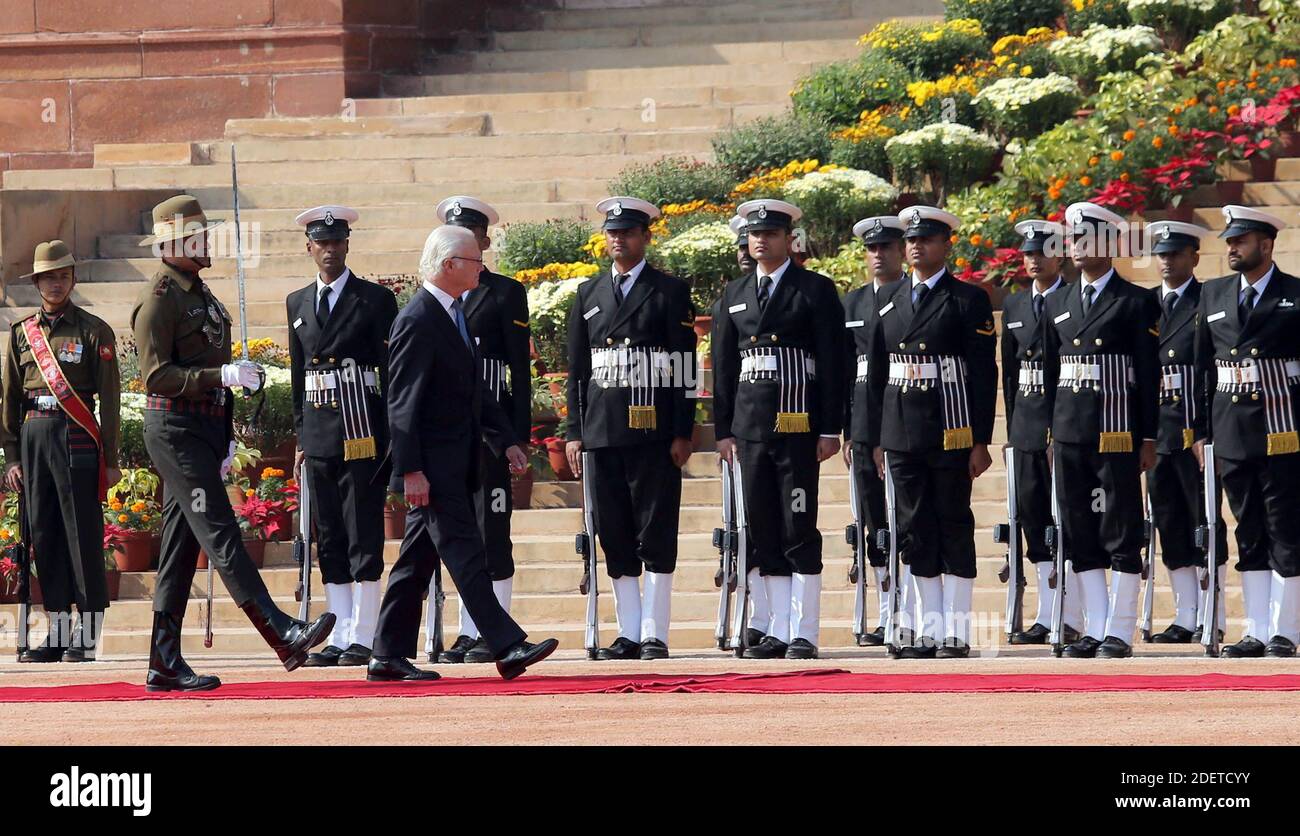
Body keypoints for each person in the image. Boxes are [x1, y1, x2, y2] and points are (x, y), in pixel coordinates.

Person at [132, 194, 336, 691]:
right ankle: (281, 632)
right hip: (176, 431)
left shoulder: (199, 294)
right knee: (220, 531)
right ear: (175, 243)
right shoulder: (160, 298)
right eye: (199, 236)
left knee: (181, 549)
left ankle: (163, 661)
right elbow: (155, 376)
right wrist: (218, 374)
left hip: (200, 431)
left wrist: (222, 431)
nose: (208, 243)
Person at [368, 224, 558, 681]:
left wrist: (507, 438)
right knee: (467, 552)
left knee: (416, 562)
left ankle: (386, 655)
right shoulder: (418, 319)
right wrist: (410, 468)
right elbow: (402, 402)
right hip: (433, 467)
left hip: (454, 460)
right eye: (474, 260)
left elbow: (474, 391)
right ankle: (507, 644)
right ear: (449, 265)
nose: (481, 267)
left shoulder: (452, 313)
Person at [565, 196, 696, 660]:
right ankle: (628, 630)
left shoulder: (668, 291)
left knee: (655, 530)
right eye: (612, 232)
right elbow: (577, 371)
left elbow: (684, 364)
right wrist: (573, 431)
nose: (618, 239)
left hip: (653, 428)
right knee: (614, 532)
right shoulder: (588, 293)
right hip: (602, 428)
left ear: (645, 237)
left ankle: (654, 631)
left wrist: (683, 430)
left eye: (627, 232)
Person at [713, 199, 844, 660]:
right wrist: (723, 431)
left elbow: (833, 361)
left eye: (771, 233)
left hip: (798, 424)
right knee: (762, 527)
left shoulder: (814, 290)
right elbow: (725, 366)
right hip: (750, 428)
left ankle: (803, 629)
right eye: (755, 233)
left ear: (790, 239)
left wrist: (830, 427)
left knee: (798, 525)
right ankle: (772, 627)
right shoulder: (734, 293)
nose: (761, 240)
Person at [865, 206, 997, 658]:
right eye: (912, 240)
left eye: (928, 240)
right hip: (901, 430)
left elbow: (983, 373)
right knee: (914, 527)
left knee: (952, 522)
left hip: (951, 428)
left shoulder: (967, 299)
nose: (918, 247)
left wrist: (981, 438)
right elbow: (878, 375)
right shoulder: (889, 298)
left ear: (946, 246)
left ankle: (955, 630)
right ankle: (927, 627)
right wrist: (877, 438)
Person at [1041, 202, 1160, 659]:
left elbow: (1147, 375)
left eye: (1085, 238)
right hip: (1070, 430)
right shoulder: (1059, 300)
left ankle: (1120, 628)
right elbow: (1053, 373)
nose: (1074, 247)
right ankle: (1093, 626)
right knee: (1078, 528)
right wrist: (1052, 434)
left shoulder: (1135, 301)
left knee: (1121, 526)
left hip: (1117, 431)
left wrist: (1148, 436)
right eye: (1071, 239)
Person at [287, 205, 398, 667]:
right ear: (309, 247)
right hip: (318, 431)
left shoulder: (373, 300)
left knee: (362, 531)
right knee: (328, 534)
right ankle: (337, 630)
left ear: (347, 245)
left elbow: (390, 372)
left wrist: (394, 435)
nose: (329, 250)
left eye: (337, 242)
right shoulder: (297, 302)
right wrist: (299, 436)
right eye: (321, 243)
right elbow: (298, 376)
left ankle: (365, 633)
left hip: (361, 430)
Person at [2, 240, 120, 662]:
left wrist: (112, 460)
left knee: (80, 536)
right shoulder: (22, 334)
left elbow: (109, 401)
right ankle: (58, 631)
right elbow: (11, 400)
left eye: (63, 275)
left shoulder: (93, 330)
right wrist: (12, 457)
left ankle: (87, 634)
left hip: (76, 438)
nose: (56, 283)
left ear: (73, 279)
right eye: (48, 276)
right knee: (46, 536)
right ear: (36, 282)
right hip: (34, 436)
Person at [426, 196, 531, 665]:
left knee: (493, 530)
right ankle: (470, 631)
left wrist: (516, 435)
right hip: (452, 429)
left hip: (491, 430)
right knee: (459, 531)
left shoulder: (506, 292)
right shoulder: (437, 296)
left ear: (485, 241)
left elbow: (518, 374)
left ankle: (494, 631)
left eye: (473, 234)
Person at [1193, 205, 1299, 657]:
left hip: (1283, 430)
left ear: (1266, 245)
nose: (1232, 248)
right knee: (1248, 529)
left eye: (1240, 241)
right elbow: (1201, 367)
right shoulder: (1213, 294)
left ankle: (1286, 629)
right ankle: (1256, 629)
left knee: (1286, 528)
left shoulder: (1294, 294)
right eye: (1230, 241)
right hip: (1230, 429)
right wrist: (1199, 432)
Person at [1145, 220, 1228, 644]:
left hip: (1193, 426)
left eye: (1175, 253)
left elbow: (1212, 370)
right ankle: (1185, 613)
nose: (1167, 260)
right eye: (1161, 253)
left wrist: (1206, 431)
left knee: (1204, 520)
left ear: (1194, 257)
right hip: (1156, 429)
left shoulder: (1208, 298)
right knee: (1169, 521)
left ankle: (1213, 610)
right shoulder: (1144, 304)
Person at [1001, 220, 1083, 644]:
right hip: (1026, 427)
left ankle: (1071, 615)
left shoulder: (1072, 299)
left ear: (1060, 256)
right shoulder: (1015, 306)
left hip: (1064, 421)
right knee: (1033, 521)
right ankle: (1046, 613)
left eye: (1043, 252)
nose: (1034, 260)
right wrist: (1015, 432)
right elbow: (1011, 375)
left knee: (1066, 520)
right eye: (1029, 254)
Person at [841, 215, 910, 645]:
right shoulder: (852, 303)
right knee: (873, 524)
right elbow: (848, 370)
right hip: (864, 424)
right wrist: (848, 430)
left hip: (903, 421)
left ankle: (911, 612)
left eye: (886, 247)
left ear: (901, 251)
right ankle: (886, 613)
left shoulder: (910, 296)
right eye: (872, 248)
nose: (878, 254)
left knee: (906, 520)